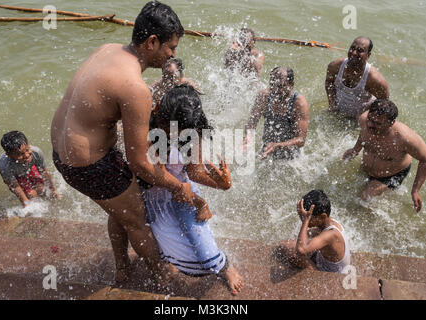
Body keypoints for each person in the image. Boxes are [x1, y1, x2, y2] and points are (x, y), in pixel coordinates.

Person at [51, 1, 197, 286]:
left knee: (120, 209)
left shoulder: (107, 49)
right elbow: (139, 163)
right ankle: (163, 276)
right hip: (88, 165)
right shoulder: (135, 87)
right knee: (138, 220)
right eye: (171, 48)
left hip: (62, 153)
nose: (173, 55)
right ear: (152, 42)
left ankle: (122, 268)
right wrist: (179, 186)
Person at [143, 84, 244, 295]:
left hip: (185, 194)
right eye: (168, 130)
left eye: (178, 134)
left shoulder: (192, 131)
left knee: (207, 259)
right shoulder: (148, 123)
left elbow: (194, 172)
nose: (171, 138)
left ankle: (226, 266)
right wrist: (200, 202)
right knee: (178, 258)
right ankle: (163, 262)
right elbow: (154, 174)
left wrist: (221, 184)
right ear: (161, 113)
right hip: (156, 194)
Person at [343, 99, 426, 212]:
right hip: (367, 168)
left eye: (377, 123)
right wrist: (355, 149)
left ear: (391, 123)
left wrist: (415, 190)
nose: (371, 125)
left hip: (392, 175)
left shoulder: (404, 138)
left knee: (365, 198)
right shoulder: (364, 120)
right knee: (350, 192)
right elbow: (363, 133)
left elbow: (424, 159)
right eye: (370, 119)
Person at [276, 190, 351, 274]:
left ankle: (315, 273)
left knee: (294, 253)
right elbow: (309, 233)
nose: (302, 218)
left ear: (323, 216)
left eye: (308, 216)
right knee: (285, 245)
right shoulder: (328, 223)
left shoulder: (331, 234)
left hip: (331, 274)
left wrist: (305, 221)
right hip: (325, 262)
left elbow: (301, 250)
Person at [243, 66, 309, 160]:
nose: (275, 90)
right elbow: (251, 123)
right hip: (266, 151)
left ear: (291, 85)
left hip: (291, 158)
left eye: (280, 86)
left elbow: (301, 140)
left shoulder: (299, 103)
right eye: (272, 85)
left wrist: (277, 145)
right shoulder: (264, 97)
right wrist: (247, 138)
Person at [325, 36, 389, 119]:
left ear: (368, 55)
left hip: (360, 118)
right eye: (352, 48)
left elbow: (384, 102)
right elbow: (329, 82)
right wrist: (332, 104)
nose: (354, 53)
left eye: (360, 50)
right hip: (338, 111)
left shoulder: (374, 78)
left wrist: (365, 116)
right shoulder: (335, 66)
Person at [0, 131, 59, 207]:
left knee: (41, 189)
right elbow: (14, 185)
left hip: (30, 167)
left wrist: (53, 188)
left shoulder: (36, 152)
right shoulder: (4, 165)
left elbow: (44, 172)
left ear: (28, 145)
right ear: (9, 155)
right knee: (30, 195)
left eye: (27, 150)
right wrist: (25, 202)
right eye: (20, 154)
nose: (26, 155)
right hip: (17, 175)